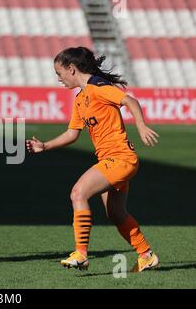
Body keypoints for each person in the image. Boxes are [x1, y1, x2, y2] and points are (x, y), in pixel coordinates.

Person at [26, 46, 159, 272]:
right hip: (113, 160)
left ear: (71, 69)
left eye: (59, 73)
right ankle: (146, 255)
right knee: (116, 215)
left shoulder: (99, 88)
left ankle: (81, 254)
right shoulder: (80, 99)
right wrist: (45, 145)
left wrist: (141, 125)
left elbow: (130, 101)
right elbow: (72, 134)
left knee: (78, 193)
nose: (59, 79)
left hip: (119, 158)